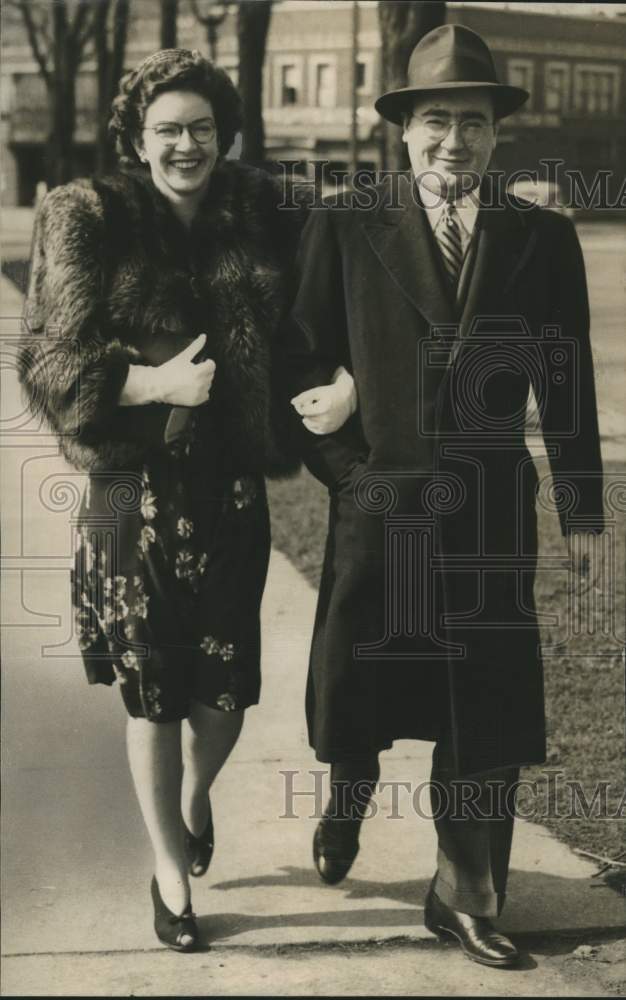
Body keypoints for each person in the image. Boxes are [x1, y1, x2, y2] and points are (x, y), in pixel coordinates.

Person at [18, 48, 354, 952]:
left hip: (232, 493)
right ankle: (169, 873)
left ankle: (195, 796)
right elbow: (48, 362)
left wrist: (349, 380)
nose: (185, 145)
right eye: (166, 129)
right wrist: (151, 386)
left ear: (223, 135)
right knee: (152, 695)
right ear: (135, 137)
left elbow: (347, 295)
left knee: (225, 697)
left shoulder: (269, 209)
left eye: (201, 129)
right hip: (130, 495)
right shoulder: (87, 215)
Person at [288, 24, 604, 968]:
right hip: (380, 511)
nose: (453, 140)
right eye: (436, 120)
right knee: (362, 689)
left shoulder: (541, 239)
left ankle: (464, 896)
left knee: (485, 703)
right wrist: (351, 472)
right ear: (404, 129)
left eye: (473, 121)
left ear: (498, 134)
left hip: (491, 513)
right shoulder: (345, 225)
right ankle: (347, 794)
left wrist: (584, 513)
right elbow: (298, 364)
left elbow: (570, 383)